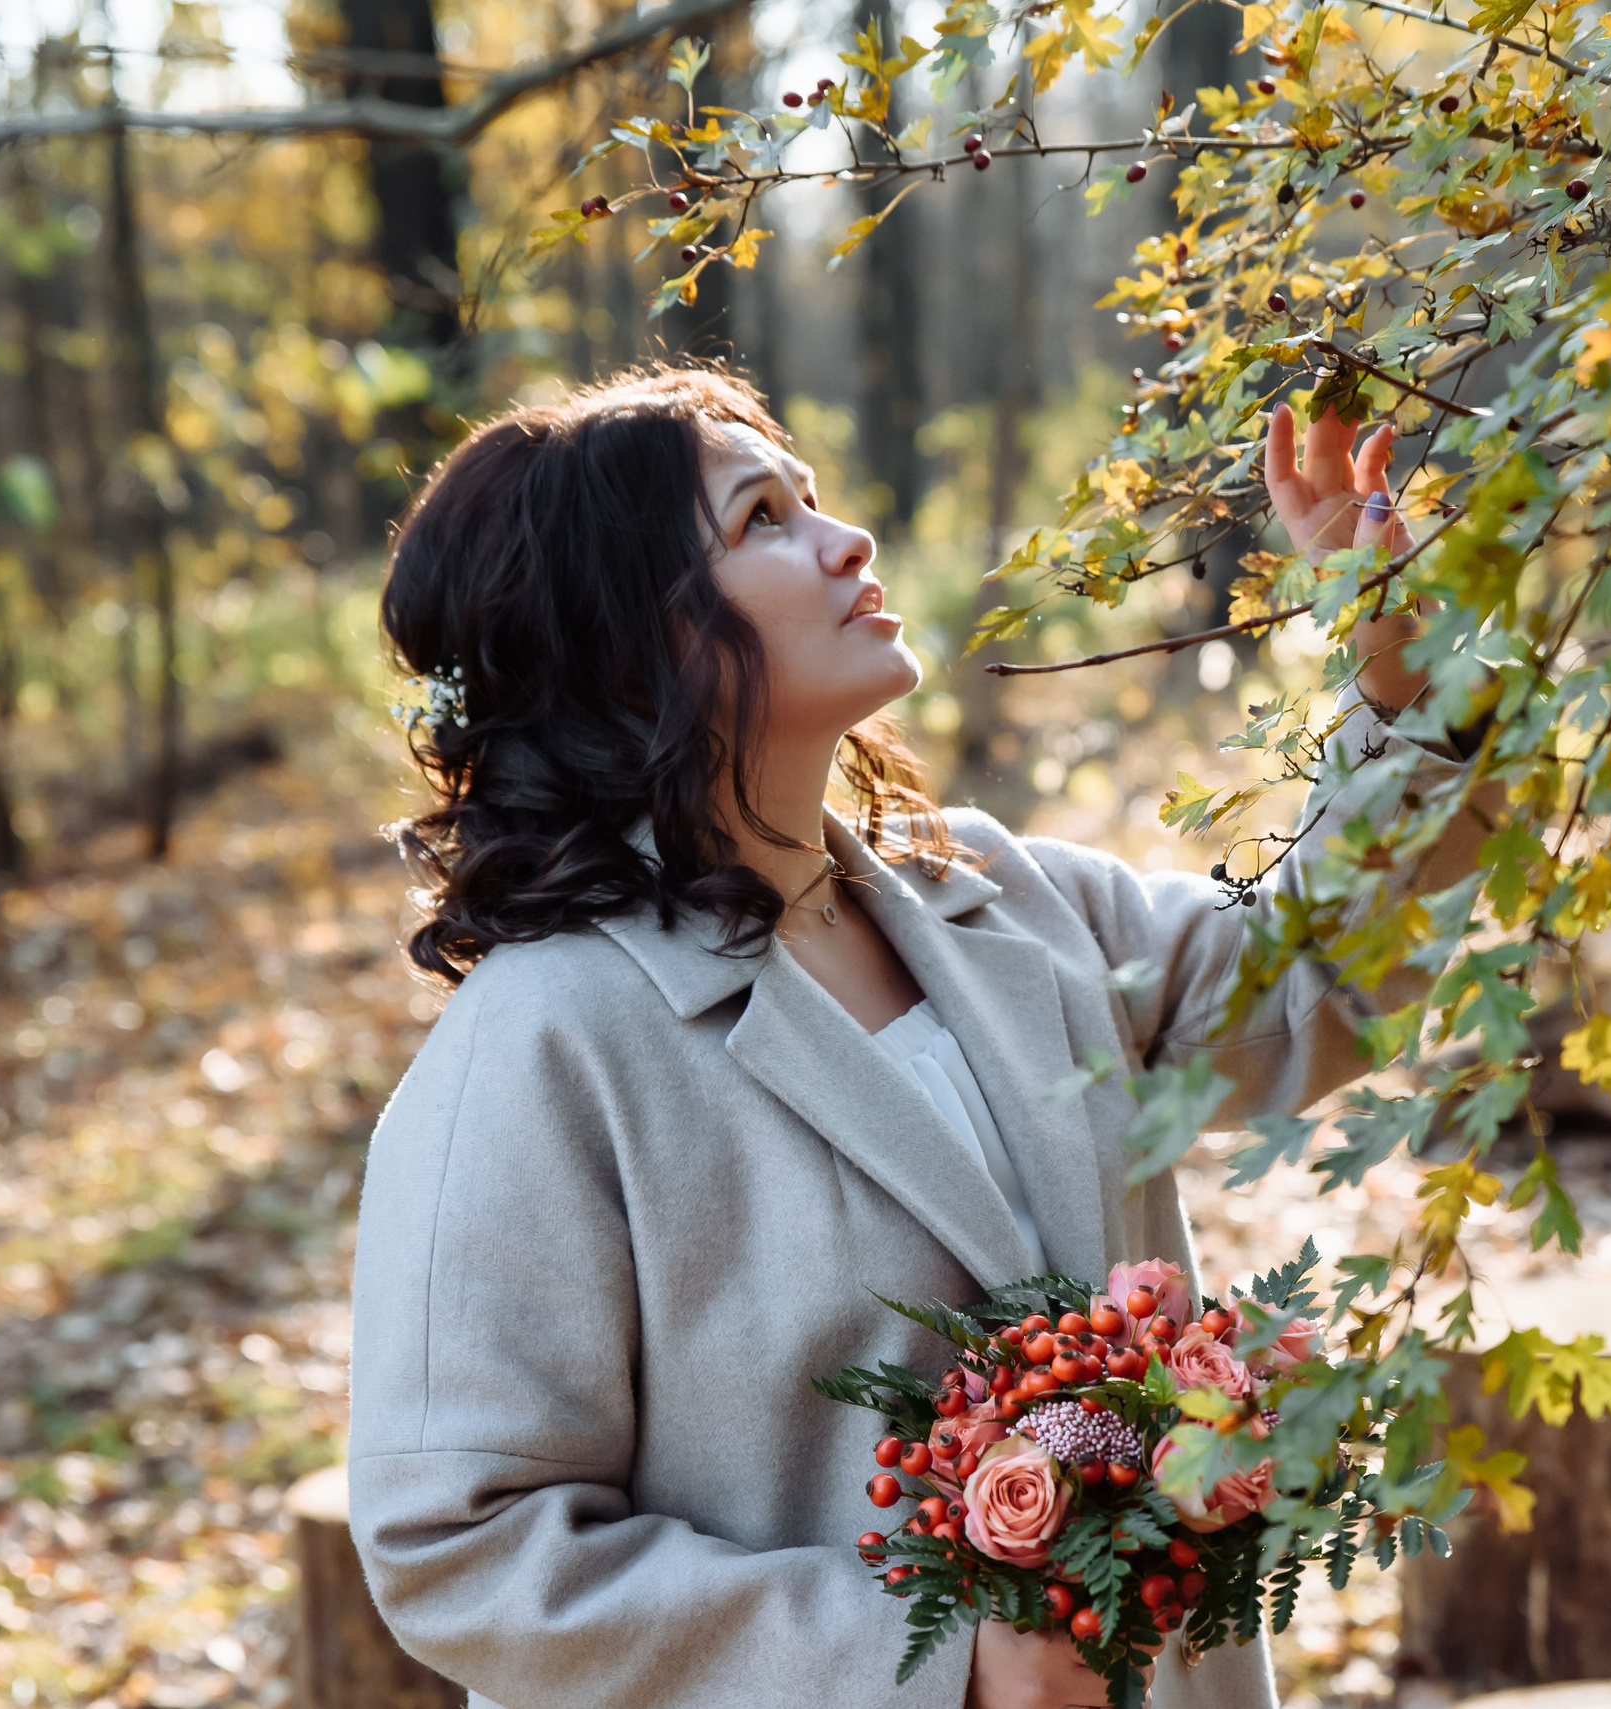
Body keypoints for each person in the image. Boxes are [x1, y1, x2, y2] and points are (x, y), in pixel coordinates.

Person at [347, 366, 1482, 1709]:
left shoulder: (1003, 894)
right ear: (625, 635)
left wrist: (1399, 680)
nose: (847, 541)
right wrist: (930, 1662)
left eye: (814, 499)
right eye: (762, 518)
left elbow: (1310, 975)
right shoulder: (543, 1042)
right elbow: (461, 1541)